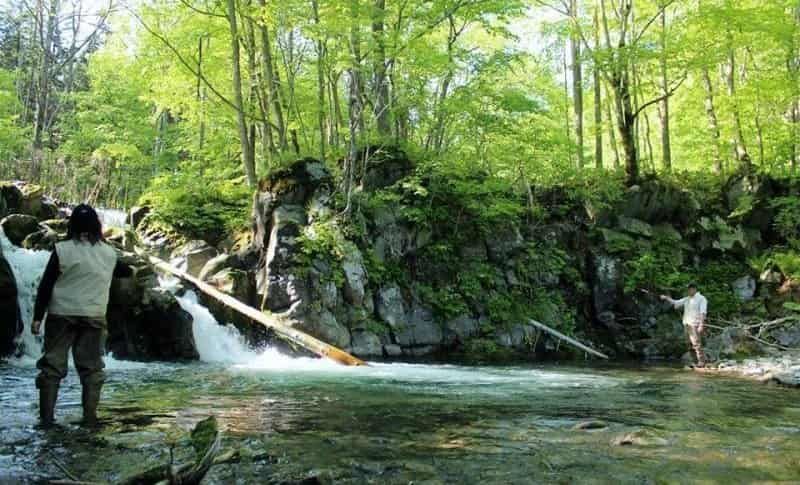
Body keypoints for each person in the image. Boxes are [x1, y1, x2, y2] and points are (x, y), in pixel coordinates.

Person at [32, 204, 134, 428]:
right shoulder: (109, 254)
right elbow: (126, 271)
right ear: (97, 226)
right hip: (94, 315)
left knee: (52, 368)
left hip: (62, 315)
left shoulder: (62, 249)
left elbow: (46, 285)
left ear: (73, 225)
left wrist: (37, 317)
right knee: (91, 370)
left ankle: (47, 421)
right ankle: (90, 418)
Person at [660, 283, 708, 368]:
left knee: (696, 343)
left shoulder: (701, 299)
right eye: (688, 289)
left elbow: (703, 313)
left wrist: (701, 325)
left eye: (690, 289)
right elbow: (675, 302)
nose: (688, 291)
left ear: (694, 289)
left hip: (695, 324)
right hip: (686, 324)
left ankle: (701, 361)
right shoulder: (687, 299)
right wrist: (666, 298)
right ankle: (694, 361)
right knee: (688, 344)